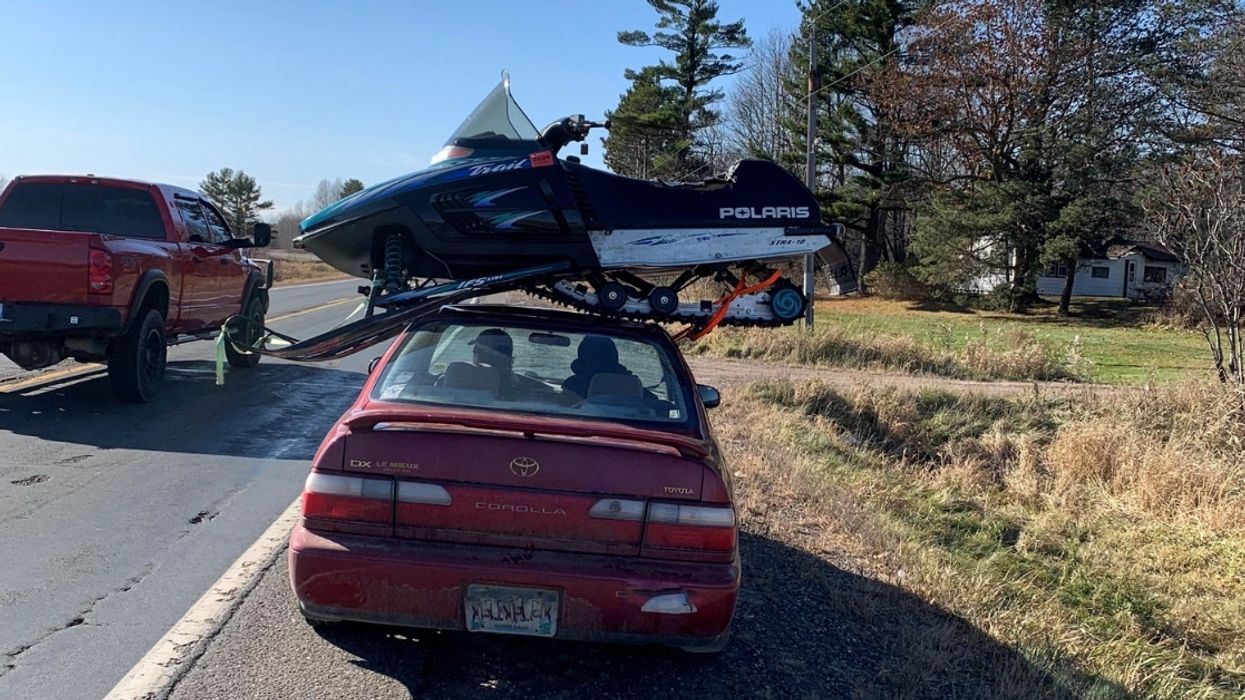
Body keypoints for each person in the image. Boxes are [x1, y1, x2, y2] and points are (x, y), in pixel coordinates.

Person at [561, 335, 633, 402]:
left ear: (582, 356)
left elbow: (560, 407)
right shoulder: (632, 385)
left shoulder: (574, 384)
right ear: (614, 355)